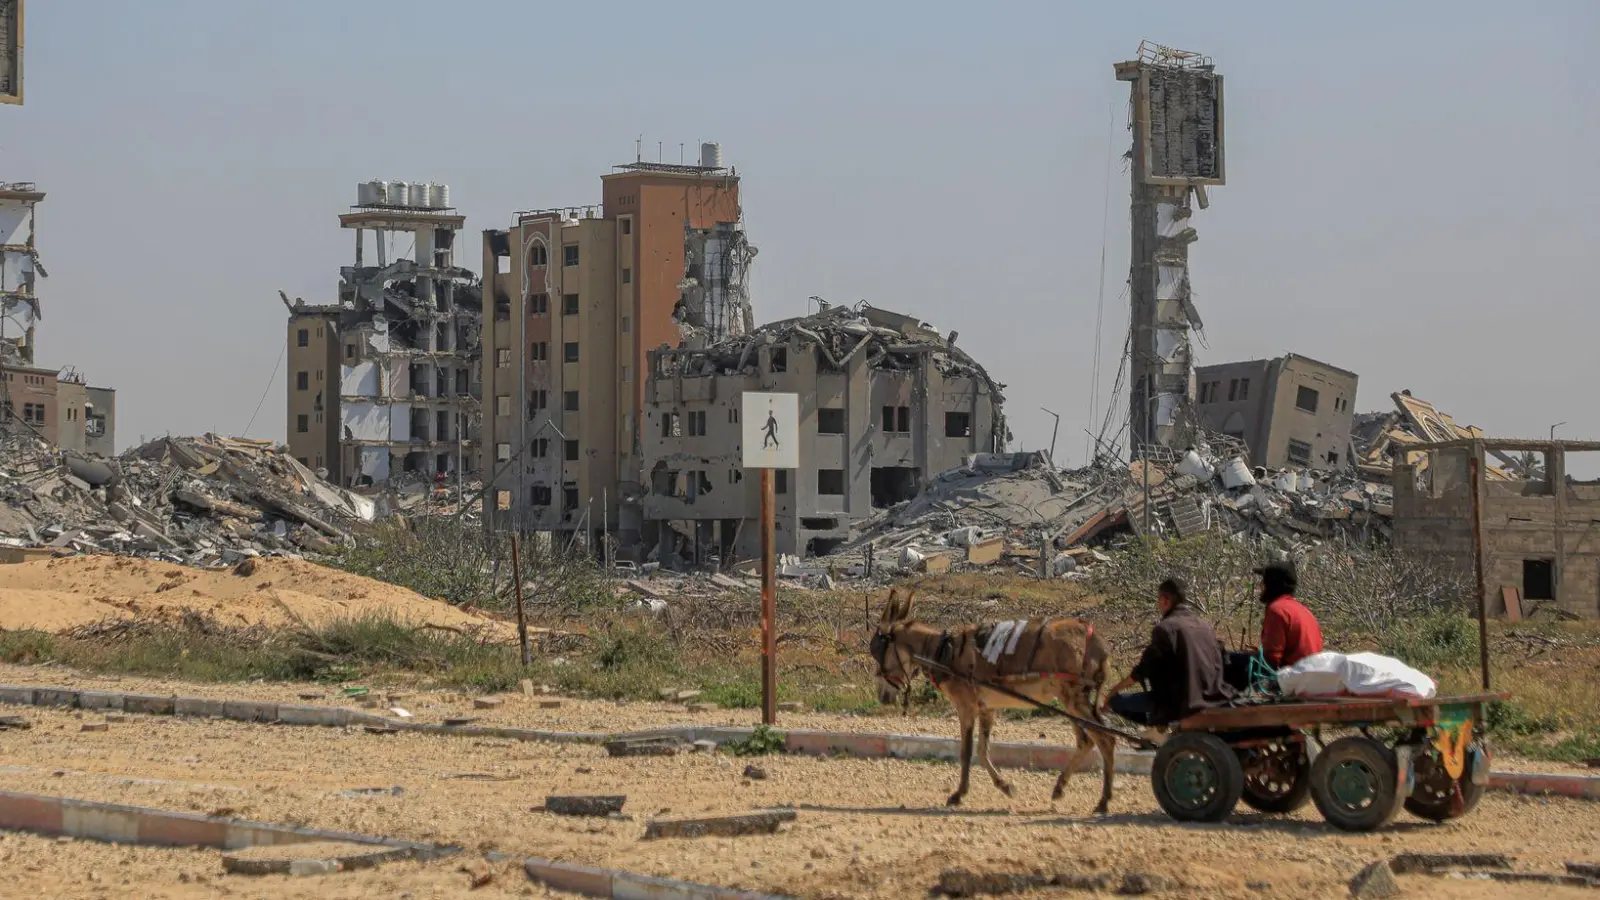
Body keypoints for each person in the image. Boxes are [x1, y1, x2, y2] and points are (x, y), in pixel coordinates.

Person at [1101, 577, 1233, 729]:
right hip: (1214, 697)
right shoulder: (1205, 626)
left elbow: (1144, 669)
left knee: (1116, 702)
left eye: (1159, 599)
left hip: (1181, 704)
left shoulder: (1165, 628)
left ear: (1165, 599)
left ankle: (1158, 730)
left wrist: (1113, 691)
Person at [1225, 561, 1325, 690]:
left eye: (1264, 581)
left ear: (1271, 584)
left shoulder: (1277, 610)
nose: (1261, 585)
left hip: (1292, 679)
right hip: (1309, 675)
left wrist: (1249, 657)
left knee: (1226, 660)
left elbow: (1272, 660)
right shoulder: (1301, 609)